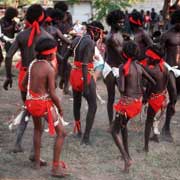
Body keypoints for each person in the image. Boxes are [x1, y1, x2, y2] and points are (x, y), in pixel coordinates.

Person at [3, 4, 53, 156]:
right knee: (43, 110)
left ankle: (18, 143)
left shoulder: (22, 35)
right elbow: (51, 62)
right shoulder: (47, 36)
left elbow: (9, 56)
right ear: (42, 17)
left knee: (28, 107)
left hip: (25, 75)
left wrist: (8, 76)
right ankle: (34, 151)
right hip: (42, 77)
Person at [22, 37, 68, 177]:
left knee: (37, 129)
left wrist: (35, 95)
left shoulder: (32, 64)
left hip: (31, 103)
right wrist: (60, 107)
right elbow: (53, 94)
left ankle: (36, 162)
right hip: (43, 104)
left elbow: (24, 85)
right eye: (55, 51)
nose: (56, 53)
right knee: (62, 133)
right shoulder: (49, 68)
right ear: (50, 54)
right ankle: (55, 168)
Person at [111, 41, 156, 172]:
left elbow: (122, 89)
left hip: (126, 104)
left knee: (114, 131)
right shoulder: (139, 66)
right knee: (123, 127)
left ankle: (127, 159)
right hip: (137, 103)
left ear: (124, 54)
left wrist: (117, 79)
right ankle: (127, 154)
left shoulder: (122, 67)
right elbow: (152, 82)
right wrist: (146, 96)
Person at [63, 22, 98, 145]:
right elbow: (84, 64)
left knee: (77, 103)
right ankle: (86, 138)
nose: (100, 36)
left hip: (74, 74)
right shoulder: (90, 42)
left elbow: (63, 58)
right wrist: (85, 84)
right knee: (93, 106)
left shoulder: (76, 40)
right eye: (100, 33)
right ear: (95, 31)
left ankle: (78, 131)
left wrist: (63, 78)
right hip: (85, 74)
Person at [142, 46, 169, 151]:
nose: (146, 59)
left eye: (148, 57)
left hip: (155, 100)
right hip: (162, 96)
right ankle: (155, 136)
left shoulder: (152, 71)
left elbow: (140, 68)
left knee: (148, 121)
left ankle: (146, 147)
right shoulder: (164, 67)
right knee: (155, 118)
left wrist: (146, 96)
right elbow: (164, 83)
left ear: (154, 58)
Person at [160, 9, 180, 141]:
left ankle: (165, 128)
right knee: (172, 96)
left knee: (175, 100)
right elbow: (158, 53)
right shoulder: (166, 35)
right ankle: (165, 128)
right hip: (169, 68)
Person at [104, 9, 125, 126]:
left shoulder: (118, 33)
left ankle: (119, 119)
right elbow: (121, 55)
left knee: (123, 94)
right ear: (112, 22)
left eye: (123, 22)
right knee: (111, 97)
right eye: (119, 22)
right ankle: (111, 122)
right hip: (111, 69)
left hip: (118, 67)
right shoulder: (111, 37)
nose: (122, 24)